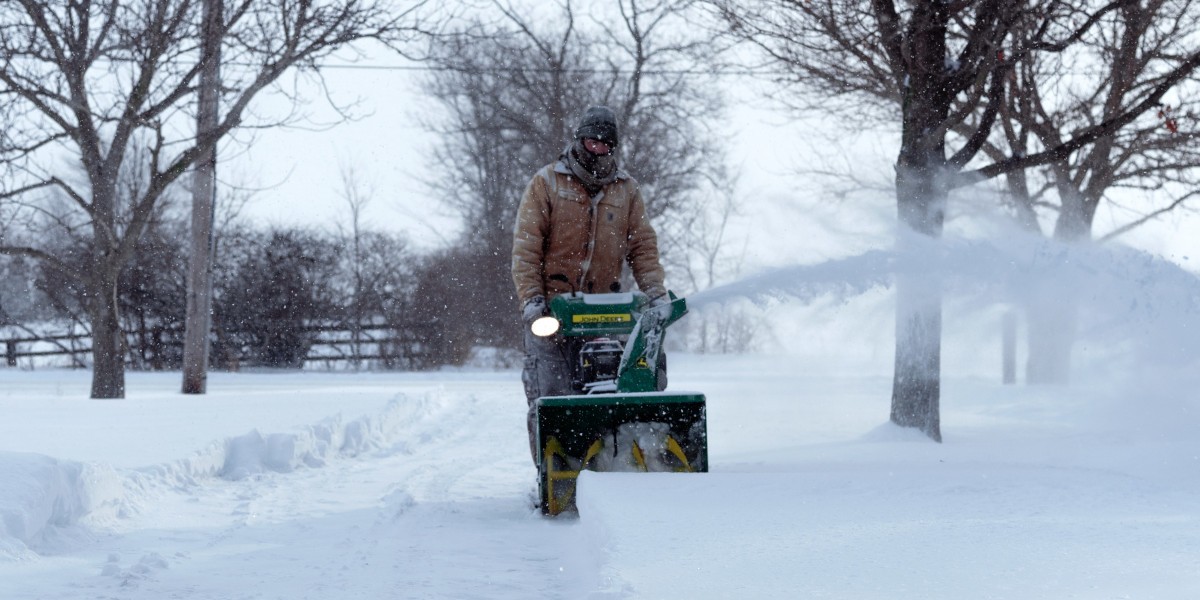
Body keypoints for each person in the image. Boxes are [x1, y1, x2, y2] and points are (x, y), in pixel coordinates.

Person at [511, 105, 668, 463]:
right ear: (579, 139)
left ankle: (634, 454)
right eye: (591, 140)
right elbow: (526, 248)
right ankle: (554, 470)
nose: (597, 148)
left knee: (645, 372)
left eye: (604, 143)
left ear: (613, 147)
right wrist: (533, 300)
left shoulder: (626, 190)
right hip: (554, 311)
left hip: (607, 311)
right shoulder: (547, 182)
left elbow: (642, 247)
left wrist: (655, 293)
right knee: (550, 395)